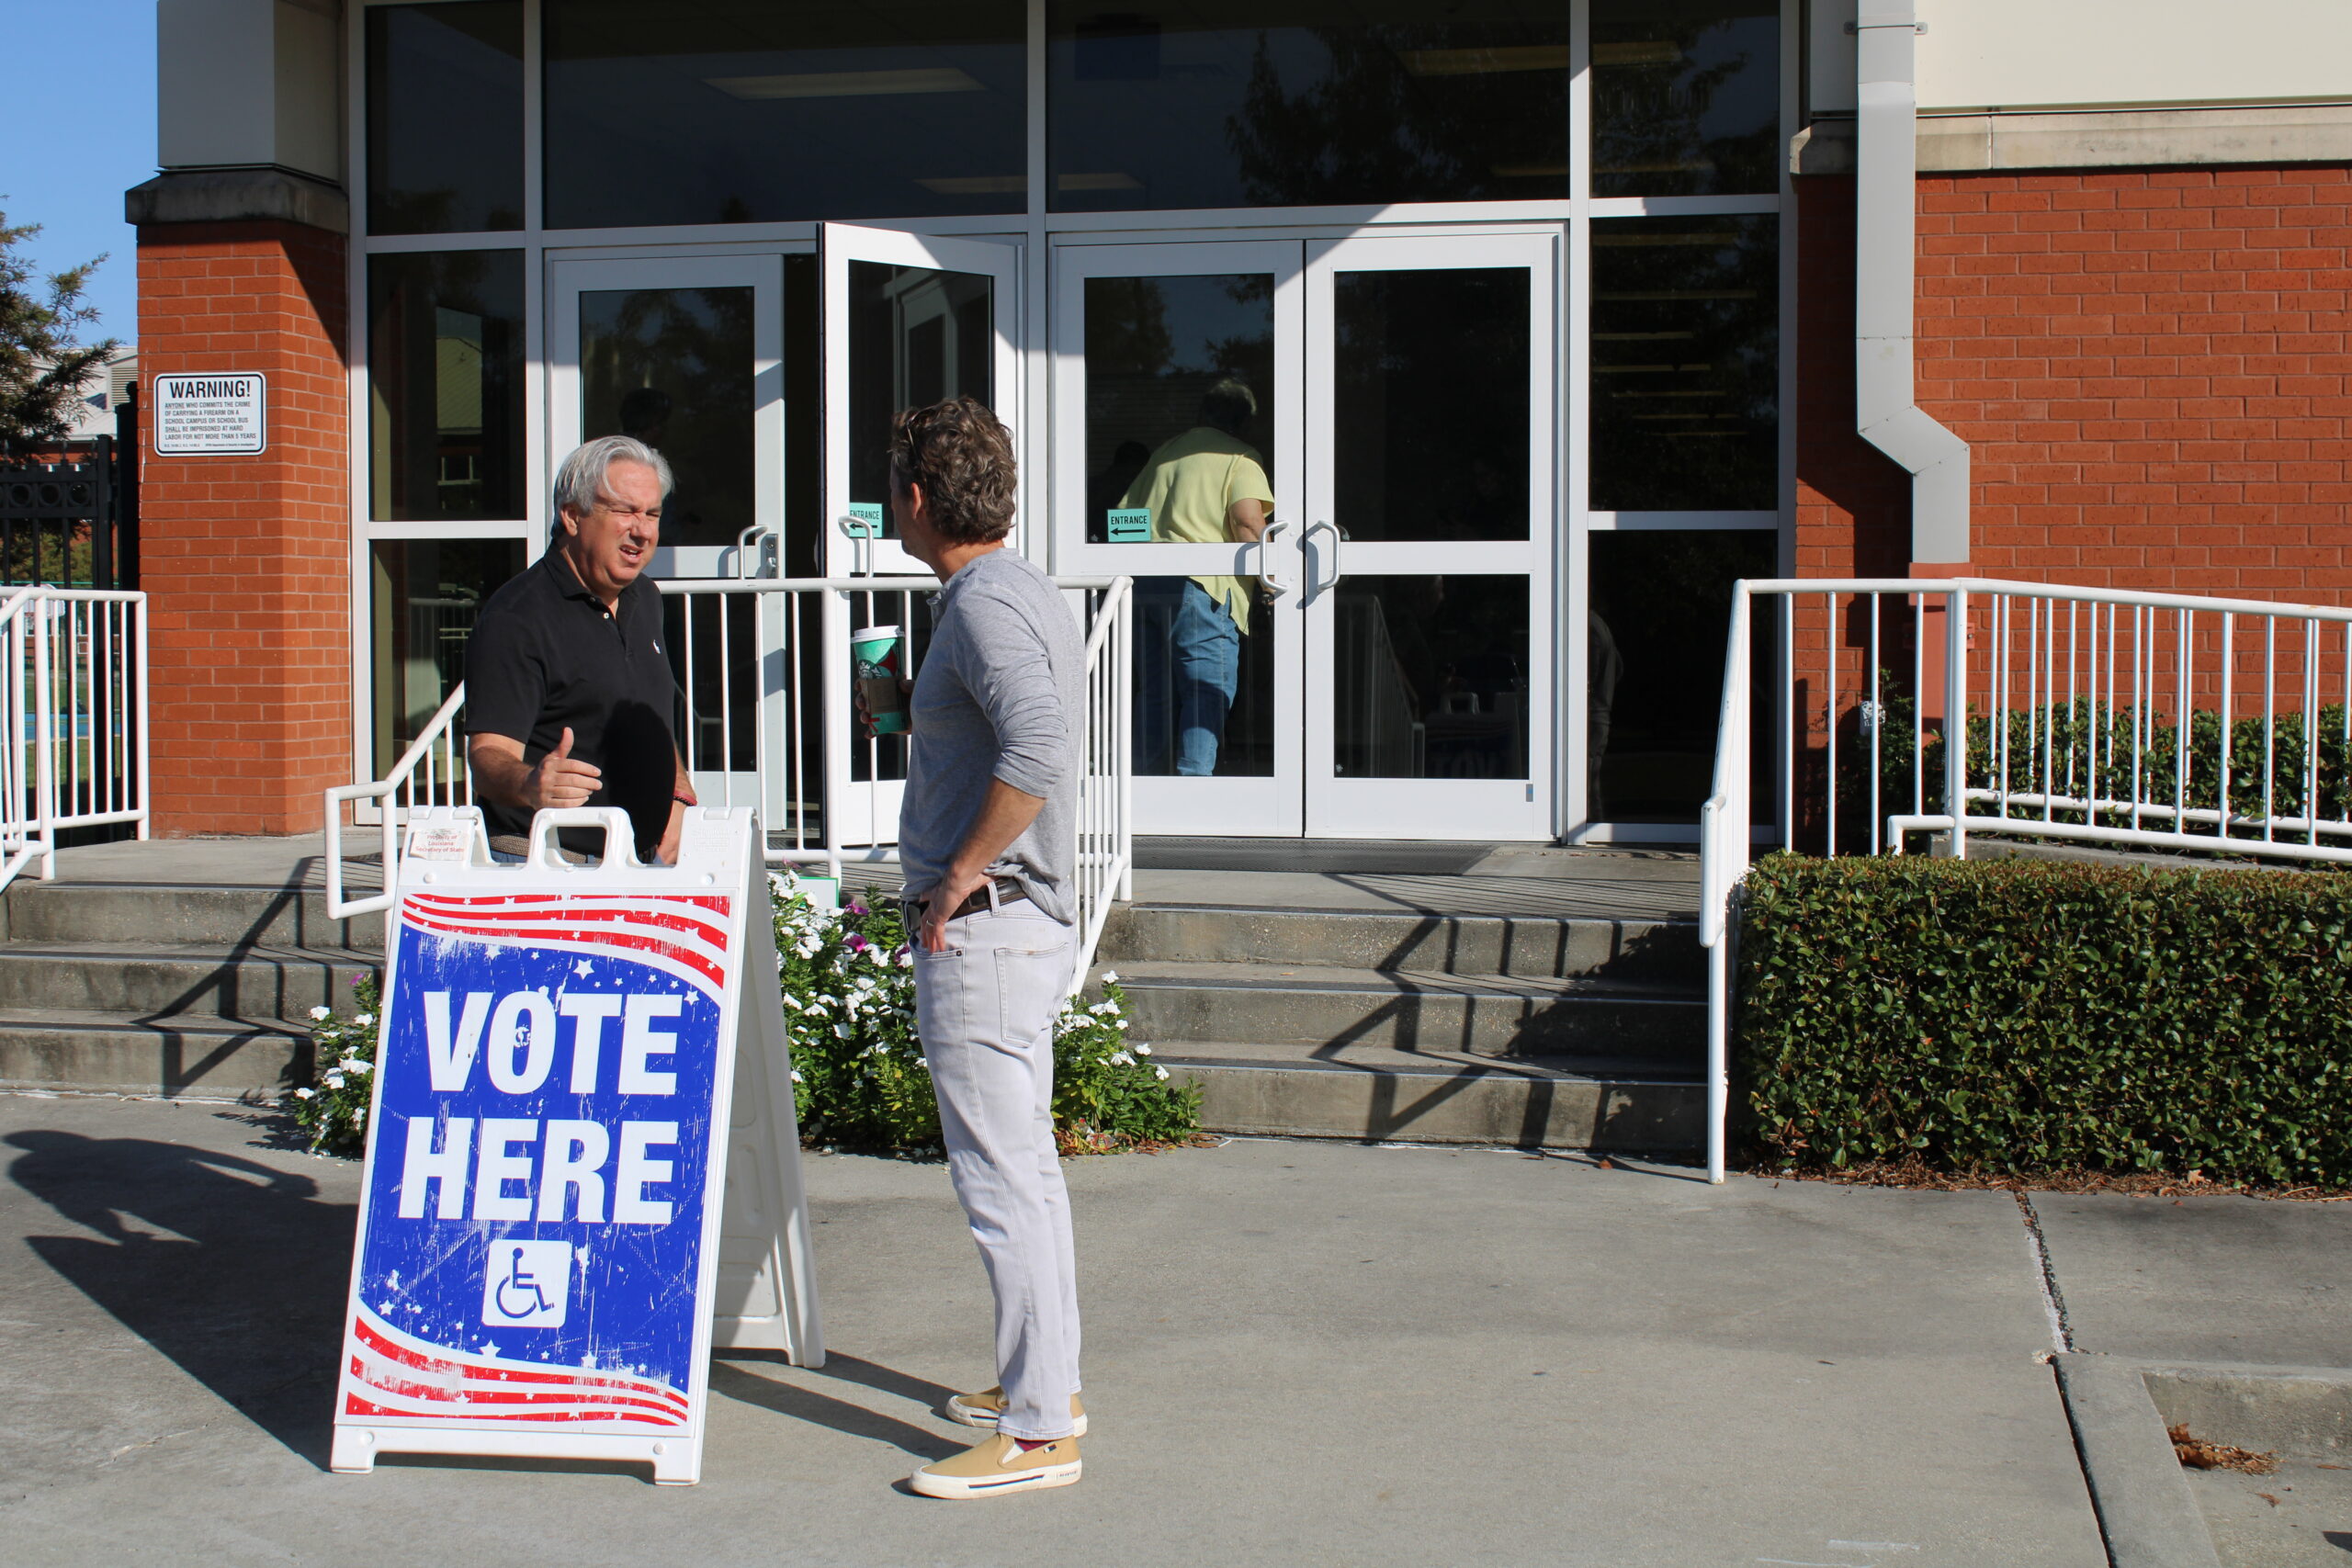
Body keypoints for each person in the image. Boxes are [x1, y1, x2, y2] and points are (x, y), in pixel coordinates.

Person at [884, 396, 1088, 1501]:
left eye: (892, 488)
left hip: (991, 928)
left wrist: (958, 874)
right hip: (1019, 927)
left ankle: (1039, 1433)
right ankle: (1043, 1390)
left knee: (1002, 1184)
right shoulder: (1016, 590)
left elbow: (1042, 743)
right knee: (1030, 1179)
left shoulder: (979, 607)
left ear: (918, 498)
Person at [464, 434, 695, 864]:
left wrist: (678, 791)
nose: (642, 530)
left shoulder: (644, 597)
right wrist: (532, 783)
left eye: (652, 514)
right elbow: (488, 756)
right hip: (552, 868)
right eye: (624, 511)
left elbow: (654, 714)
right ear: (572, 516)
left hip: (638, 864)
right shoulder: (516, 619)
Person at [1120, 379, 1273, 775]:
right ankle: (1194, 787)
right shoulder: (1239, 456)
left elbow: (1124, 523)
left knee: (1156, 692)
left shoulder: (1165, 454)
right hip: (1201, 586)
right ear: (1243, 424)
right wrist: (1272, 580)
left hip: (1144, 586)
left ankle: (1138, 788)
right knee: (1207, 689)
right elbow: (1246, 524)